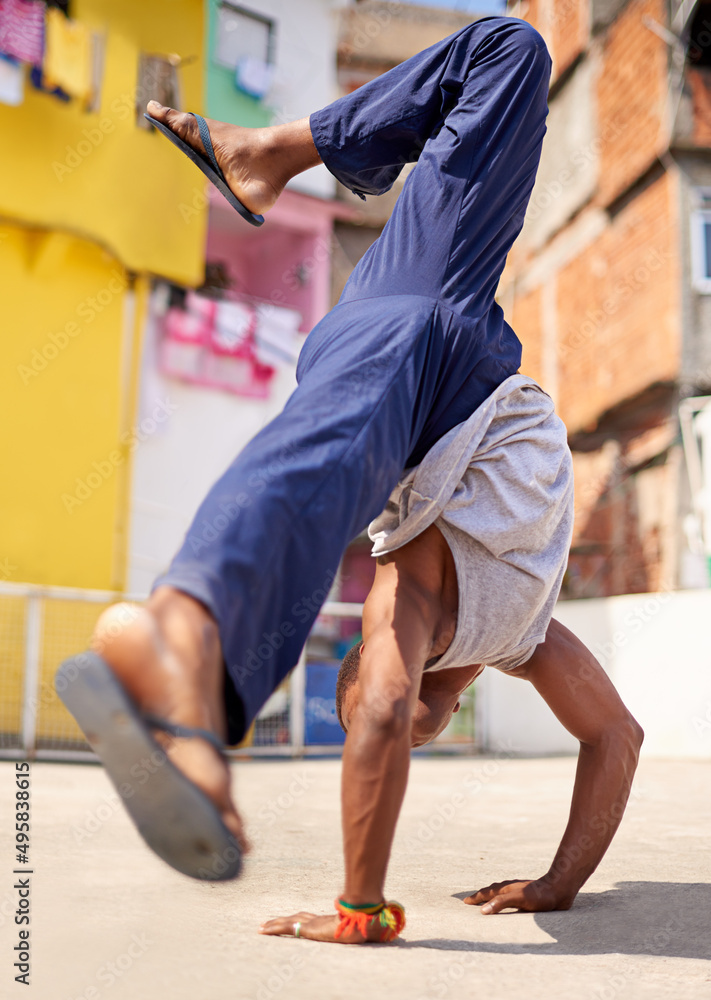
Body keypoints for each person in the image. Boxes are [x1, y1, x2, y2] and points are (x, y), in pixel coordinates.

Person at [56, 15, 642, 944]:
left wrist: (360, 909)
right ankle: (271, 151)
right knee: (512, 54)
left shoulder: (403, 594)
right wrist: (559, 884)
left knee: (327, 454)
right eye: (410, 710)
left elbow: (374, 714)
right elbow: (617, 739)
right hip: (462, 336)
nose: (400, 708)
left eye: (378, 689)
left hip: (406, 346)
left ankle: (187, 648)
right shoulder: (518, 641)